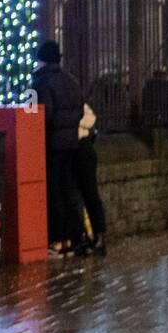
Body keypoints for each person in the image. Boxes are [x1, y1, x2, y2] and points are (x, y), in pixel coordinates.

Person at [32, 41, 84, 257]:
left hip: (51, 145)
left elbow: (42, 115)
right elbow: (80, 110)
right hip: (71, 143)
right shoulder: (71, 81)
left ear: (42, 59)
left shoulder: (41, 83)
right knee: (69, 188)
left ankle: (57, 240)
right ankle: (73, 238)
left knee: (53, 192)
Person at [72, 100, 107, 256]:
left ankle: (98, 236)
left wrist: (73, 125)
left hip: (82, 148)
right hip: (76, 148)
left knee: (90, 194)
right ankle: (83, 236)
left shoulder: (77, 103)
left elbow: (91, 118)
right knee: (76, 196)